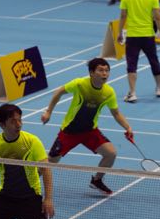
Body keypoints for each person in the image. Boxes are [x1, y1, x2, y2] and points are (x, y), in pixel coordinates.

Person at [42, 58, 133, 195]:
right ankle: (29, 182)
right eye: (101, 70)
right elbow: (59, 92)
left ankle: (97, 180)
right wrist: (48, 111)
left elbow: (116, 113)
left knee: (111, 153)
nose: (105, 73)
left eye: (107, 70)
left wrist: (127, 127)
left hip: (90, 132)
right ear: (91, 72)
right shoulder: (80, 84)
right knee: (51, 162)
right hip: (69, 132)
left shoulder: (109, 92)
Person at [118, 0, 160, 102]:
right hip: (148, 35)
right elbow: (158, 17)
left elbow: (123, 16)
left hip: (132, 35)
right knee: (154, 61)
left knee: (131, 64)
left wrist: (120, 32)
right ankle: (159, 88)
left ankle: (132, 93)